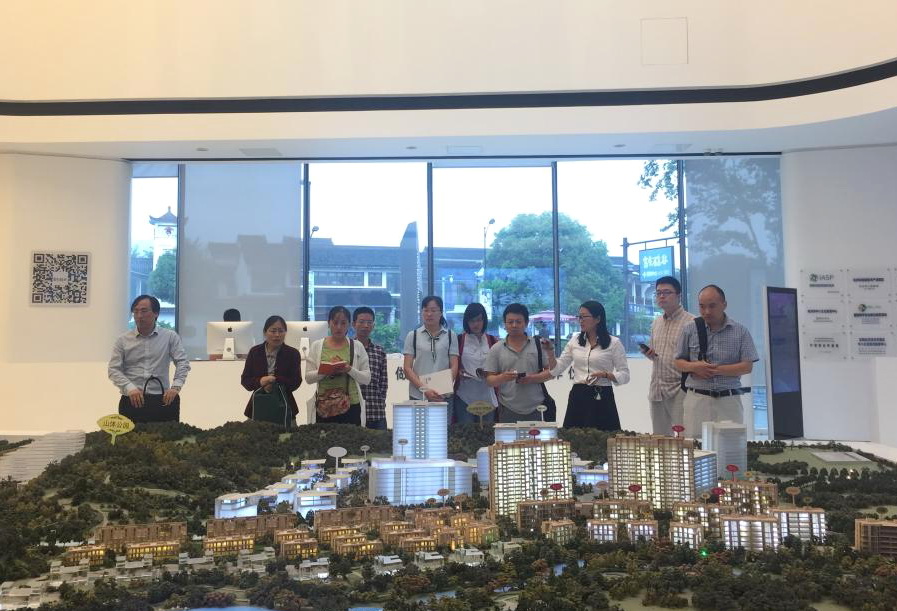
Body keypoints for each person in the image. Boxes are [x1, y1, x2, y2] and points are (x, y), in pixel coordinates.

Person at [674, 284, 759, 439]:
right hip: (697, 399)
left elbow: (747, 366)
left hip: (729, 400)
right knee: (696, 446)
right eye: (702, 306)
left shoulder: (740, 331)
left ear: (724, 304)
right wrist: (695, 367)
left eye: (712, 306)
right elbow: (678, 362)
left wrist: (715, 370)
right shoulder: (689, 329)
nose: (707, 311)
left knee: (730, 446)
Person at [549, 300, 629, 430]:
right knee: (574, 437)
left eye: (584, 317)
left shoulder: (614, 343)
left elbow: (625, 375)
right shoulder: (575, 341)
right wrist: (549, 352)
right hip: (578, 395)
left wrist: (605, 375)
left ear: (598, 319)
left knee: (604, 437)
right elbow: (556, 370)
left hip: (602, 396)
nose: (580, 321)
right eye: (579, 317)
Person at [108, 294, 190, 411]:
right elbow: (113, 369)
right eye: (135, 311)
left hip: (162, 399)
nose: (139, 316)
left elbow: (183, 362)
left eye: (144, 311)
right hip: (131, 399)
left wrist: (176, 387)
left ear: (156, 313)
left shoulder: (170, 337)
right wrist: (129, 388)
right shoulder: (123, 340)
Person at [484, 303, 557, 422]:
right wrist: (502, 377)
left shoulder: (538, 345)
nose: (514, 325)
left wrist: (532, 378)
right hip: (508, 408)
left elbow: (552, 372)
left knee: (538, 435)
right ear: (504, 324)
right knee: (508, 435)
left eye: (518, 322)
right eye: (510, 322)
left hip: (537, 407)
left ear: (526, 323)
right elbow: (489, 380)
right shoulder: (496, 349)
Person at [644, 276, 694, 435]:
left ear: (679, 295)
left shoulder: (692, 322)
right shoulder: (656, 322)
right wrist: (649, 353)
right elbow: (656, 354)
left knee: (684, 438)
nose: (661, 296)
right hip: (657, 389)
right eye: (658, 293)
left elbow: (695, 358)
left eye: (666, 292)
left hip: (680, 390)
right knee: (660, 439)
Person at [306, 306, 371, 425]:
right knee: (324, 436)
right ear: (329, 323)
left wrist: (349, 369)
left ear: (349, 325)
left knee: (351, 437)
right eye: (335, 323)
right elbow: (308, 378)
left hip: (351, 404)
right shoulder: (317, 346)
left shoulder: (357, 346)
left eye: (343, 323)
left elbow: (366, 379)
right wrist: (325, 371)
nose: (339, 327)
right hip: (325, 405)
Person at [240, 315, 302, 421]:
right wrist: (260, 381)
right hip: (257, 407)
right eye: (273, 331)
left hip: (285, 406)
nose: (277, 335)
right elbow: (245, 380)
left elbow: (295, 382)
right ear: (265, 332)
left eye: (281, 331)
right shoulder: (255, 352)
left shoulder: (293, 354)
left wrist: (275, 380)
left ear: (285, 333)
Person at [403, 296, 459, 402]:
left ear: (441, 312)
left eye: (433, 310)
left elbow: (454, 366)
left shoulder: (451, 336)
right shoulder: (413, 335)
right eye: (426, 310)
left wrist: (442, 389)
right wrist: (425, 390)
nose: (429, 314)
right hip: (418, 395)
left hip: (442, 395)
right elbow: (407, 369)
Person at [453, 303, 499, 424]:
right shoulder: (459, 340)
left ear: (484, 320)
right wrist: (458, 373)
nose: (476, 324)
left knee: (488, 432)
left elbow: (499, 366)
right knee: (466, 432)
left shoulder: (493, 341)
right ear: (466, 322)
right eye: (472, 321)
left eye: (479, 320)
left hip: (488, 396)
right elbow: (452, 365)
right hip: (464, 396)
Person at [352, 307, 388, 430]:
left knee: (380, 442)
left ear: (373, 325)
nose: (366, 326)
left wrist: (381, 402)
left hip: (376, 411)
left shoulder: (379, 351)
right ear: (353, 324)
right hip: (353, 411)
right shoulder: (348, 348)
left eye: (369, 322)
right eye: (361, 322)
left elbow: (383, 383)